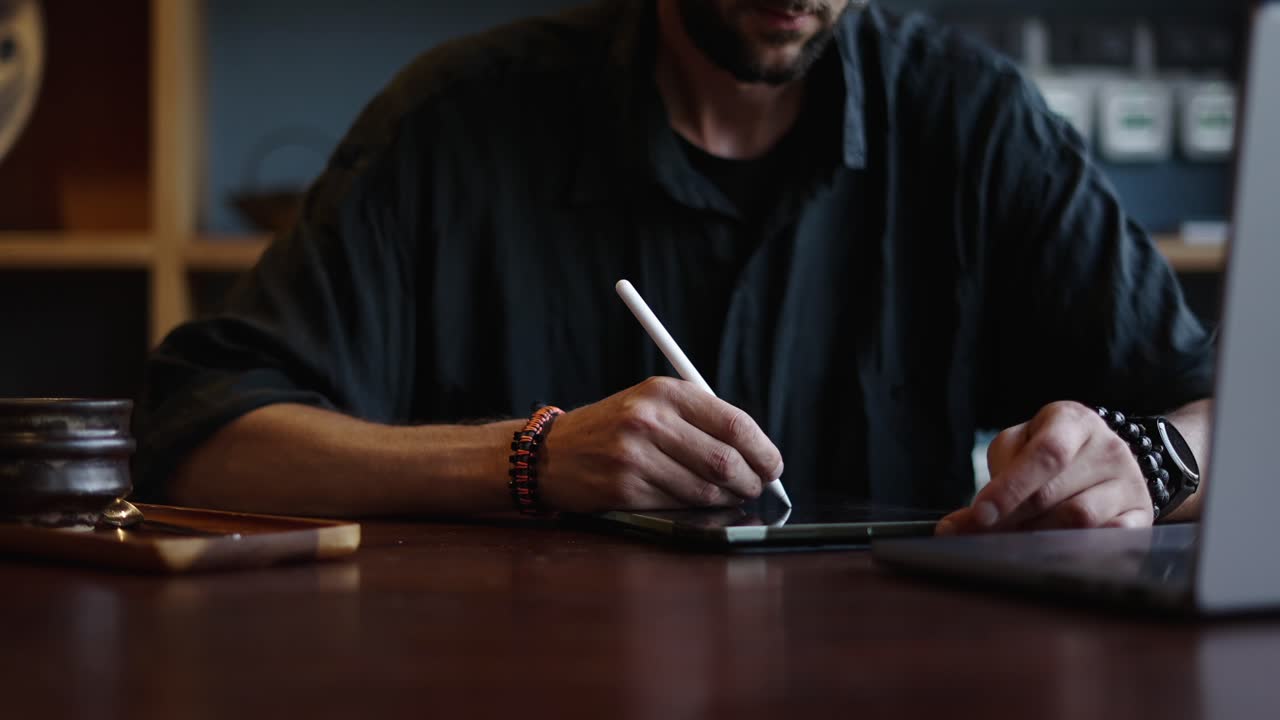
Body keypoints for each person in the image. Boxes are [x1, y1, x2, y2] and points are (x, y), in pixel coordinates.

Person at [132, 0, 1215, 534]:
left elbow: (1226, 415)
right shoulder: (458, 127)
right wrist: (528, 459)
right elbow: (199, 439)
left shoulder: (970, 125)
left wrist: (1150, 461)